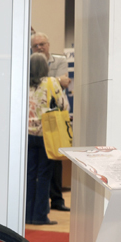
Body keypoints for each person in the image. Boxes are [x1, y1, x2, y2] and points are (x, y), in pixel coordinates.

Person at [26, 53, 69, 226]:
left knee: (29, 175)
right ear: (45, 67)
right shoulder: (52, 83)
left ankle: (27, 214)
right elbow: (64, 105)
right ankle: (40, 216)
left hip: (28, 135)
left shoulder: (24, 84)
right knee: (44, 176)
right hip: (47, 135)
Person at [31, 31, 71, 212]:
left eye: (42, 44)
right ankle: (40, 207)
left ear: (48, 45)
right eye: (36, 45)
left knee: (53, 163)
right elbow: (60, 83)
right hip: (41, 125)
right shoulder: (30, 61)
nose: (39, 47)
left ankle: (56, 200)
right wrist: (56, 80)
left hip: (49, 124)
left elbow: (66, 82)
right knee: (40, 170)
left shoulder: (59, 60)